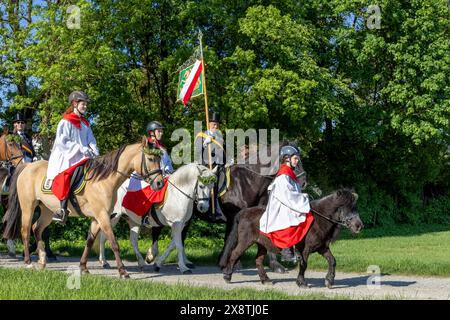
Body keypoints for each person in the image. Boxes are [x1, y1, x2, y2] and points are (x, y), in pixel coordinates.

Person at [46, 91, 99, 224]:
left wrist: (94, 150)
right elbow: (62, 141)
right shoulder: (65, 121)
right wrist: (81, 148)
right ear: (75, 104)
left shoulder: (85, 123)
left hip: (83, 156)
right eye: (83, 104)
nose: (85, 106)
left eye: (86, 104)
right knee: (69, 174)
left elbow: (91, 139)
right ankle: (62, 209)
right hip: (66, 156)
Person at [259, 145, 314, 262]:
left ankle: (296, 247)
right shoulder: (283, 175)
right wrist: (304, 198)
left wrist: (302, 197)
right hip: (282, 205)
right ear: (287, 158)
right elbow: (288, 195)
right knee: (289, 218)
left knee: (302, 216)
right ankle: (286, 250)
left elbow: (294, 192)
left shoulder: (289, 173)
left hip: (288, 202)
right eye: (295, 158)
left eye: (297, 158)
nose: (297, 160)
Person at [140, 121, 173, 228]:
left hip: (163, 175)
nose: (161, 133)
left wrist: (170, 172)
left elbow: (168, 162)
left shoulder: (162, 148)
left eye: (162, 131)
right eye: (159, 131)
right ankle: (146, 215)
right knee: (153, 189)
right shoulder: (147, 146)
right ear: (151, 133)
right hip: (150, 175)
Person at [195, 111, 226, 222]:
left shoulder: (219, 137)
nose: (216, 126)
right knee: (214, 180)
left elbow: (223, 153)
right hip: (204, 167)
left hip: (218, 166)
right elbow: (197, 152)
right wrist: (205, 143)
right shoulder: (201, 136)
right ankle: (215, 207)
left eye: (217, 125)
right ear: (208, 124)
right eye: (213, 124)